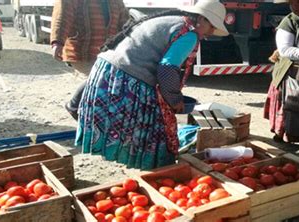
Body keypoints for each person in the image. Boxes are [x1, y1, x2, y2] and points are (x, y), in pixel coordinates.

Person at [75, 0, 229, 170]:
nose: (212, 32)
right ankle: (158, 171)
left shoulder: (175, 21)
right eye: (212, 26)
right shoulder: (189, 34)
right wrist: (174, 99)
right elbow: (168, 68)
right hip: (127, 77)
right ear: (202, 19)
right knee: (157, 128)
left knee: (130, 126)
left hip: (108, 70)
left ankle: (139, 163)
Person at [50, 0, 129, 120]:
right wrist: (57, 42)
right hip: (81, 51)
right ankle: (74, 106)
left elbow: (126, 23)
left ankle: (96, 116)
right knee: (101, 77)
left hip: (106, 52)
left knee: (110, 80)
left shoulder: (116, 2)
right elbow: (63, 16)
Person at [264, 0, 299, 148]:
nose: (294, 5)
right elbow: (284, 50)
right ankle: (285, 134)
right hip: (293, 73)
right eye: (291, 2)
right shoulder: (290, 21)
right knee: (292, 105)